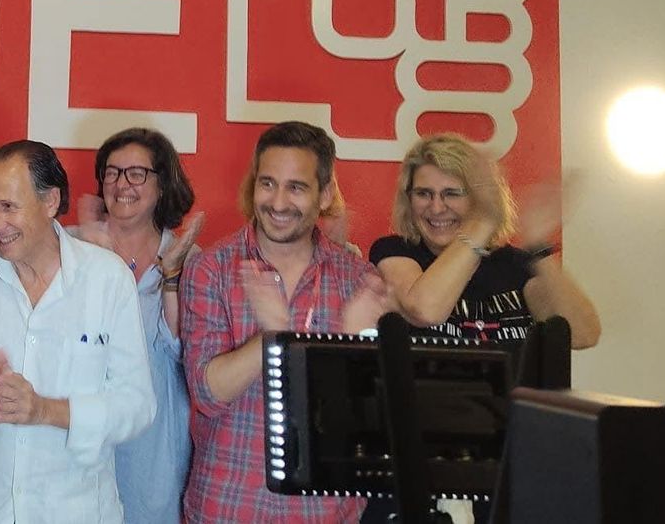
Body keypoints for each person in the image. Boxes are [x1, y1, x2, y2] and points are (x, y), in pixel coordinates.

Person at [360, 134, 602, 523]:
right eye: (424, 193)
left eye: (452, 193)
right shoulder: (396, 252)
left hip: (509, 467)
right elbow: (426, 308)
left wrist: (538, 248)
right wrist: (484, 222)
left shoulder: (514, 266)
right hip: (419, 469)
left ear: (476, 198)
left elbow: (583, 332)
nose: (436, 207)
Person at [0, 140, 154, 524]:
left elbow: (137, 405)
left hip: (76, 510)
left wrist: (45, 410)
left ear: (50, 202)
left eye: (9, 207)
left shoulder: (107, 279)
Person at [181, 121, 388, 524]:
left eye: (296, 187)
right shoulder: (212, 269)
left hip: (324, 510)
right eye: (268, 183)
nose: (277, 202)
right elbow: (208, 394)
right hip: (229, 505)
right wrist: (274, 336)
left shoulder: (357, 279)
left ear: (324, 195)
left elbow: (368, 419)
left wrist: (353, 344)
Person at [73, 127, 202, 524]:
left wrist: (172, 278)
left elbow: (187, 354)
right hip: (79, 431)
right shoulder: (70, 247)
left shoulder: (189, 258)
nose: (121, 184)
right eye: (112, 172)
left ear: (162, 185)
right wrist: (88, 265)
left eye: (136, 173)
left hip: (155, 442)